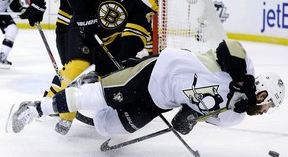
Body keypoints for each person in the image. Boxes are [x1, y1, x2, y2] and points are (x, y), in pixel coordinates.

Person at [9, 40, 285, 137]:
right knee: (95, 96)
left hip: (160, 101)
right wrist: (242, 84)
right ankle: (36, 108)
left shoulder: (234, 116)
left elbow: (197, 108)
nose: (264, 111)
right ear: (261, 91)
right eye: (267, 104)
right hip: (158, 71)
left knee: (109, 127)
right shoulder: (244, 67)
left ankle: (97, 94)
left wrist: (188, 118)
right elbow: (228, 48)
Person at [46, 0, 159, 135]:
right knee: (75, 68)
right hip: (83, 30)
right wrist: (85, 19)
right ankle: (65, 115)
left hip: (111, 41)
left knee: (105, 82)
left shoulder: (147, 0)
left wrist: (125, 59)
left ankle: (83, 94)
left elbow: (136, 33)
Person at [0, 0, 27, 69]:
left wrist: (23, 10)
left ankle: (2, 57)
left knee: (12, 29)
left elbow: (15, 4)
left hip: (2, 11)